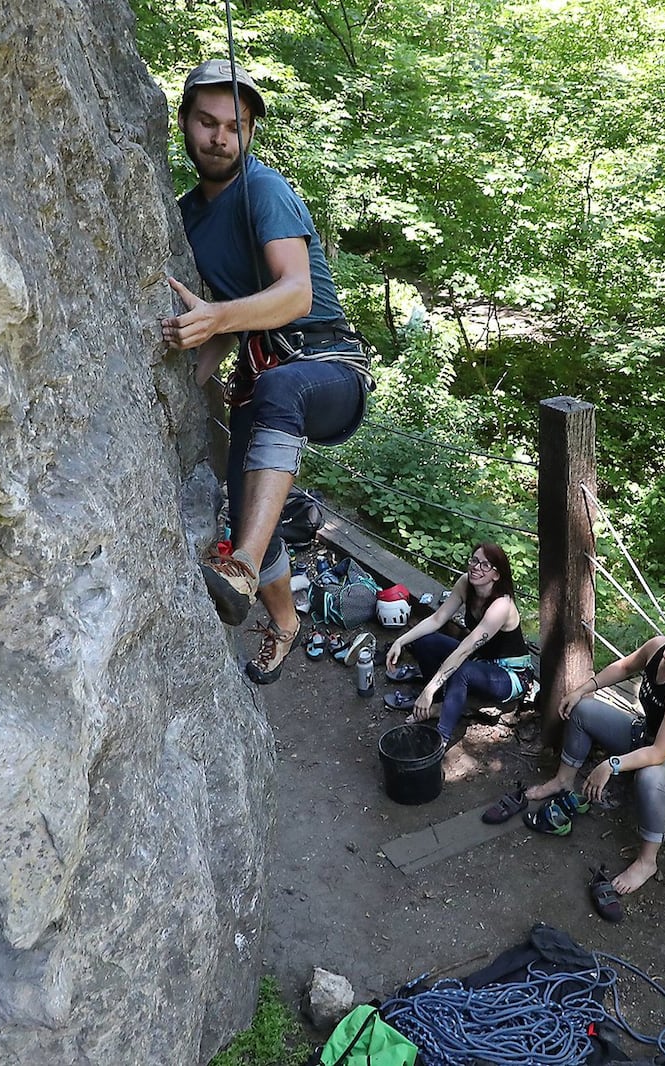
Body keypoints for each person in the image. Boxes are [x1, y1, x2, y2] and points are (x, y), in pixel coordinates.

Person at [162, 59, 370, 685]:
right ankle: (283, 622)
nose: (221, 137)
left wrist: (218, 318)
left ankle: (243, 566)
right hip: (263, 373)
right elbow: (219, 323)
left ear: (249, 134)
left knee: (279, 394)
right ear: (186, 124)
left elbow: (296, 293)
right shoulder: (186, 216)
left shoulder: (265, 190)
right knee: (246, 505)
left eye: (235, 125)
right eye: (207, 122)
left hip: (326, 364)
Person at [518, 617, 665, 896]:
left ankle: (647, 861)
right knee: (584, 710)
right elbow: (625, 666)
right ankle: (563, 781)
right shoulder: (657, 647)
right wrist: (582, 689)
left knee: (651, 775)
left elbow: (659, 753)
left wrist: (611, 764)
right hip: (645, 738)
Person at [383, 544, 531, 744]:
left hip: (509, 674)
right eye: (474, 561)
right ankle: (434, 705)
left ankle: (440, 740)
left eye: (485, 565)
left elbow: (465, 649)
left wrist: (430, 687)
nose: (476, 567)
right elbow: (437, 619)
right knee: (426, 642)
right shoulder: (465, 583)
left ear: (497, 575)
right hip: (480, 659)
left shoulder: (501, 605)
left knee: (463, 670)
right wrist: (400, 641)